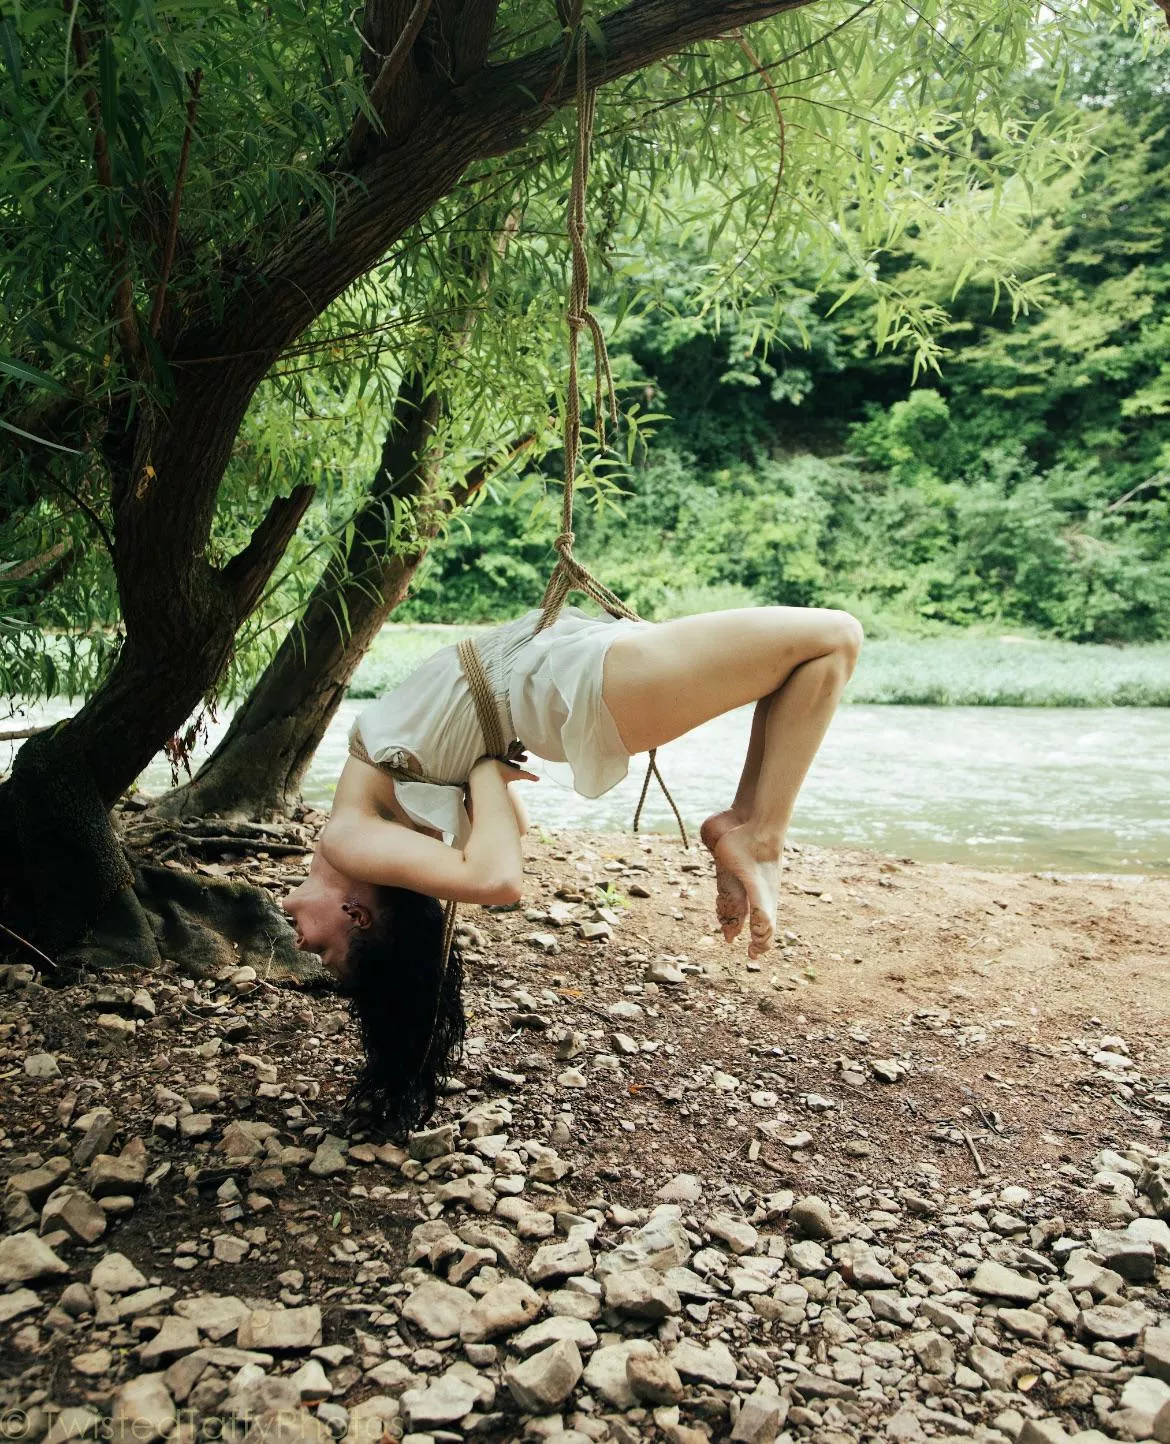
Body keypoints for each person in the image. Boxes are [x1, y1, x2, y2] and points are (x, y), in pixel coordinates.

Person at [281, 604, 862, 1136]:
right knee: (832, 640)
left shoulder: (368, 830)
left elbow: (508, 827)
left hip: (547, 669)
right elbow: (498, 878)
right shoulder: (353, 836)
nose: (302, 943)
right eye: (322, 950)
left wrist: (484, 773)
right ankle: (759, 836)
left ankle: (749, 824)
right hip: (556, 683)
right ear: (356, 916)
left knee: (819, 650)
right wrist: (484, 773)